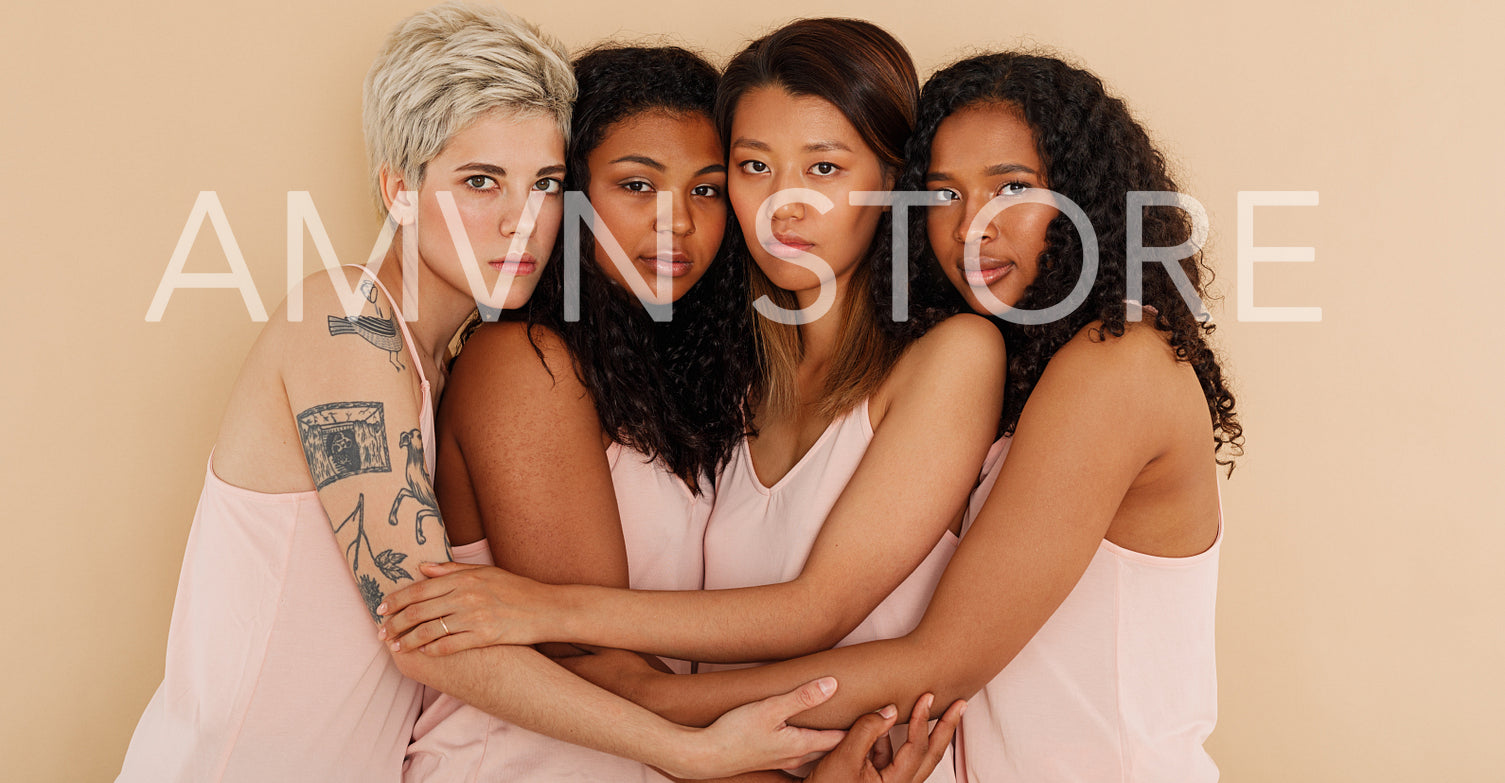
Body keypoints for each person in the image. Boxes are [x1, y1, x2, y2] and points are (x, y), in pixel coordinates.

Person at [381, 50, 1242, 782]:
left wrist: (633, 683)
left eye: (1012, 187)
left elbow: (929, 656)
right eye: (944, 195)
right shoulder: (735, 377)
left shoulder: (1114, 363)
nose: (972, 226)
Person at [117, 3, 848, 783]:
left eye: (544, 185)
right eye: (479, 182)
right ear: (398, 189)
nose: (519, 222)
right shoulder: (344, 320)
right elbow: (429, 635)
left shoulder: (433, 363)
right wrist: (690, 752)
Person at [383, 19, 1004, 781]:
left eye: (704, 188)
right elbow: (609, 672)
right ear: (570, 194)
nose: (676, 219)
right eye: (635, 184)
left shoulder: (711, 379)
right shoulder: (524, 360)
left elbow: (778, 629)